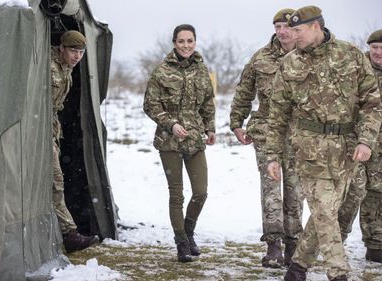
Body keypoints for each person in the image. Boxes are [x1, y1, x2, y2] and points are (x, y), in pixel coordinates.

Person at [265, 6, 382, 281]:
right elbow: (277, 114)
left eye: (298, 30)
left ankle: (297, 268)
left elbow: (372, 104)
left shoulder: (350, 55)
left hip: (347, 150)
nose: (293, 36)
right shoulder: (290, 63)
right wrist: (272, 154)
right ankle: (338, 273)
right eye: (290, 31)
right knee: (324, 211)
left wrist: (366, 140)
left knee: (326, 212)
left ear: (316, 27)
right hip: (309, 149)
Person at [230, 8, 303, 268]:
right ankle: (274, 246)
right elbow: (244, 91)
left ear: (297, 29)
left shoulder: (308, 56)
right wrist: (236, 123)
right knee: (271, 189)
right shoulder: (261, 57)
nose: (281, 31)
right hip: (266, 130)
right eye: (277, 27)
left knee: (296, 189)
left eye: (286, 27)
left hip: (299, 135)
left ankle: (294, 244)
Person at [143, 24, 216, 263]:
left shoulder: (202, 70)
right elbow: (150, 105)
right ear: (174, 42)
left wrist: (210, 128)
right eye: (181, 41)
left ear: (195, 42)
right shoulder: (161, 71)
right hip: (169, 141)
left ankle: (189, 232)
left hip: (195, 139)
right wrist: (170, 124)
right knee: (176, 195)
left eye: (190, 41)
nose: (186, 45)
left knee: (201, 192)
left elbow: (208, 103)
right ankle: (181, 243)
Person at [51, 30, 99, 253]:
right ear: (61, 48)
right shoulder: (49, 66)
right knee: (55, 181)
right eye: (73, 50)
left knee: (55, 181)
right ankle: (69, 233)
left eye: (80, 52)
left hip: (51, 131)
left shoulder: (67, 69)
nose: (77, 56)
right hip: (38, 132)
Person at [338, 29, 382, 263]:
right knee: (352, 193)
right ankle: (336, 241)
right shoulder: (356, 69)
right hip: (355, 142)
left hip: (380, 147)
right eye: (374, 47)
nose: (378, 52)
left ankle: (375, 245)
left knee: (377, 193)